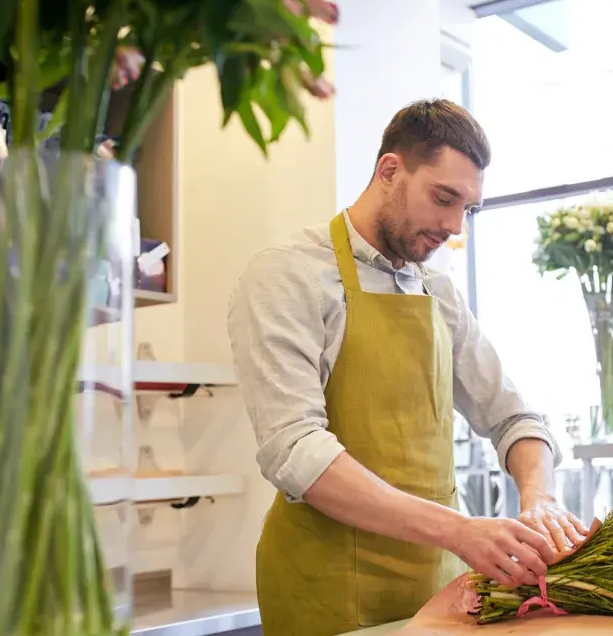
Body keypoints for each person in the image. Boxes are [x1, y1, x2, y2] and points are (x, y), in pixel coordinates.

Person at [227, 98, 588, 635]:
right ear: (390, 170)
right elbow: (296, 450)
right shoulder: (287, 275)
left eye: (468, 208)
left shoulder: (438, 292)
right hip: (323, 588)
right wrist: (462, 530)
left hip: (441, 586)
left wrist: (540, 500)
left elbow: (513, 417)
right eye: (443, 199)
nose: (453, 226)